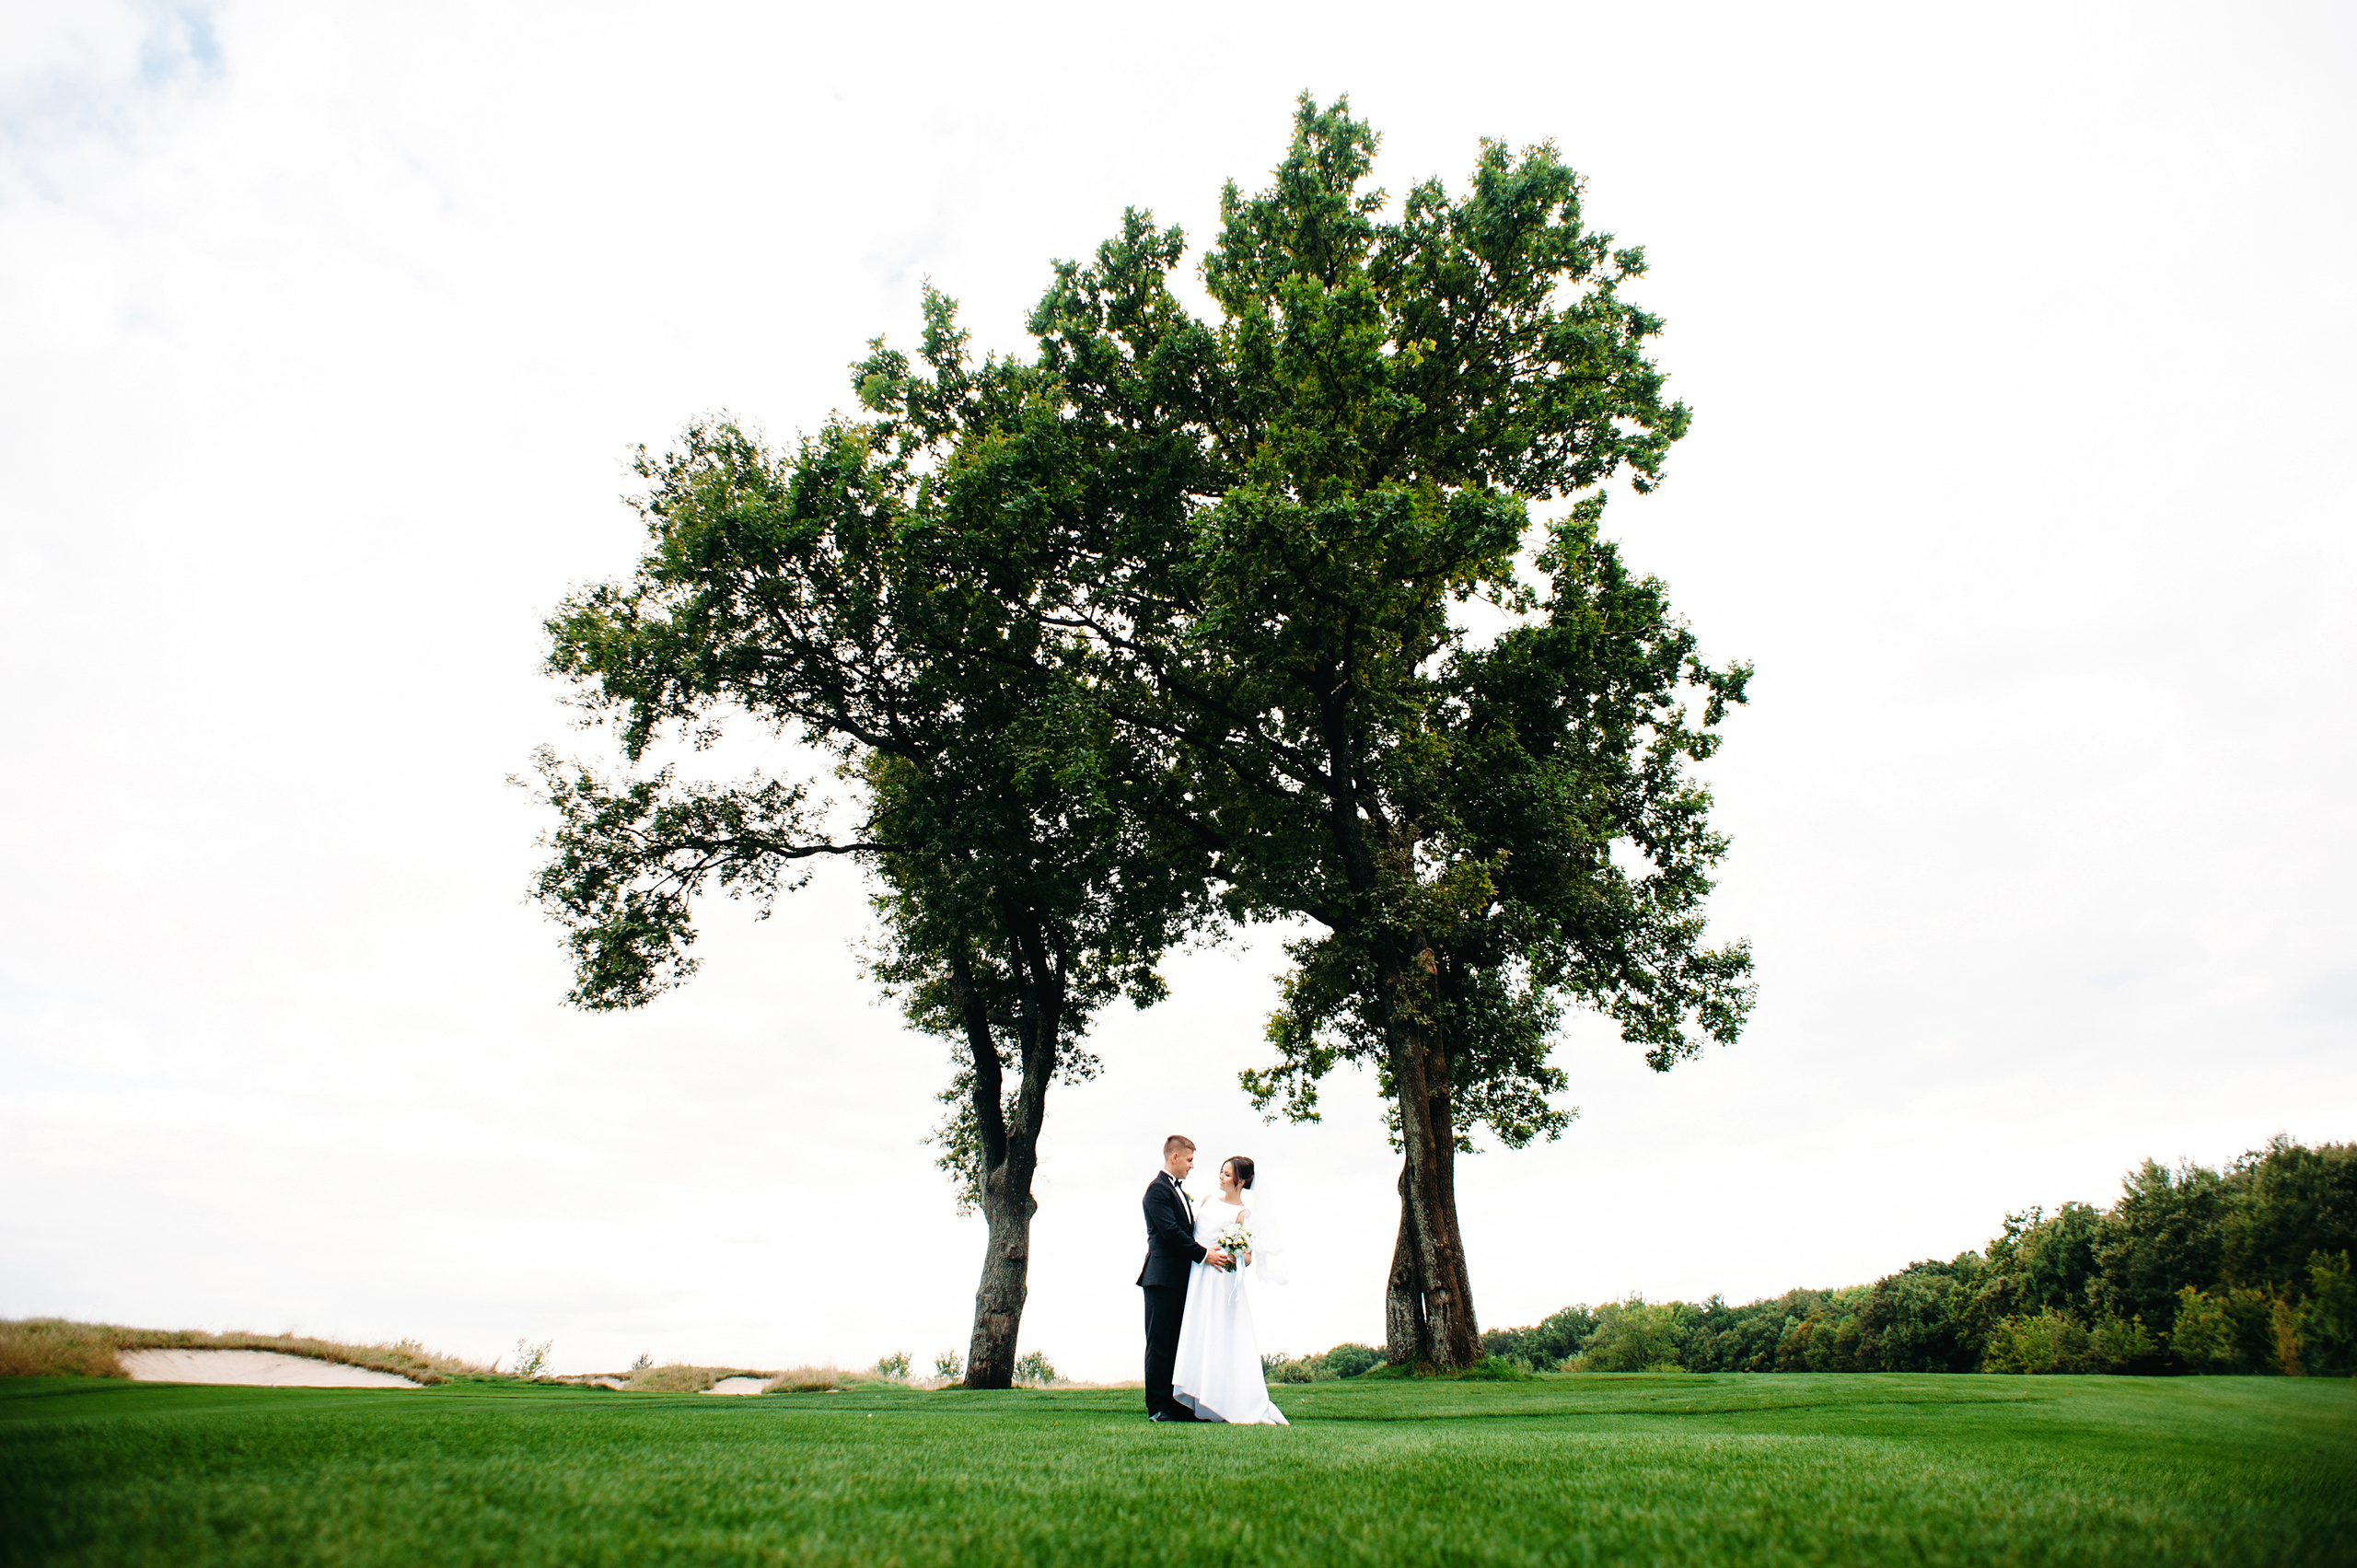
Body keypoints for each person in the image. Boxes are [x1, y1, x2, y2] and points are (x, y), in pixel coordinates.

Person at [1169, 1154, 1290, 1425]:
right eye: (1221, 1172)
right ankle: (1199, 1399)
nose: (1221, 1177)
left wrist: (1232, 1250)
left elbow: (1247, 1258)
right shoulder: (1206, 1201)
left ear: (1242, 1180)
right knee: (1198, 1333)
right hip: (1198, 1276)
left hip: (1220, 1279)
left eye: (1227, 1174)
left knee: (1221, 1337)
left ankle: (1230, 1401)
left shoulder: (1243, 1214)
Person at [1138, 1134, 1227, 1420]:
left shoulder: (1176, 1190)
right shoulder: (1157, 1190)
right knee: (1160, 1343)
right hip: (1161, 1278)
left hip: (1181, 1279)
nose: (1191, 1166)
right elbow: (1172, 1233)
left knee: (1178, 1343)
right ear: (1174, 1157)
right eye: (1189, 1160)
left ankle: (1176, 1405)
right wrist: (1204, 1255)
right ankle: (1158, 1408)